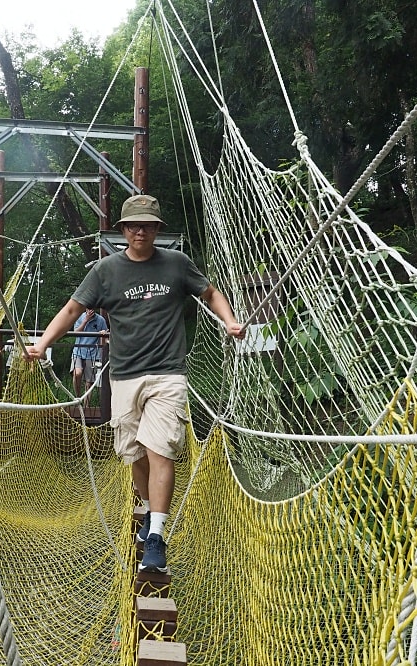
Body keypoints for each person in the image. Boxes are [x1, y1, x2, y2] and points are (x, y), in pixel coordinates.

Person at [26, 194, 245, 573]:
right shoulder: (105, 271)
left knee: (161, 450)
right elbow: (73, 309)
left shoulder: (176, 264)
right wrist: (43, 343)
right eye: (132, 224)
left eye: (147, 224)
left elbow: (209, 292)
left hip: (167, 375)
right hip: (123, 376)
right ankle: (148, 513)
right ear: (123, 230)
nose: (139, 230)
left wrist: (228, 320)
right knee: (135, 455)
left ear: (158, 229)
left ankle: (157, 536)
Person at [70, 307, 107, 395]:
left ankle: (86, 407)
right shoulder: (79, 317)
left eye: (92, 308)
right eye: (88, 308)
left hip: (93, 353)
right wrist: (85, 320)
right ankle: (78, 397)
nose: (90, 310)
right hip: (78, 351)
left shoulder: (100, 320)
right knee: (77, 373)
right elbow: (75, 332)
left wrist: (103, 334)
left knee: (89, 382)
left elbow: (105, 339)